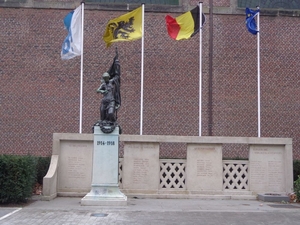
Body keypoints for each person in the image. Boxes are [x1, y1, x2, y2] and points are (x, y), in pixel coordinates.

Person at [97, 50, 121, 126]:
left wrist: (116, 64)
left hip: (111, 100)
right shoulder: (103, 84)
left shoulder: (111, 82)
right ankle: (106, 123)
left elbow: (117, 76)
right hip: (104, 101)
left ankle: (113, 123)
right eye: (105, 78)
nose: (106, 79)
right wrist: (102, 91)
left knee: (110, 113)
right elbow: (97, 90)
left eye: (107, 78)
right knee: (102, 116)